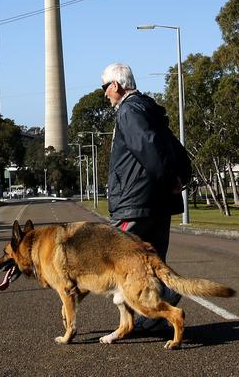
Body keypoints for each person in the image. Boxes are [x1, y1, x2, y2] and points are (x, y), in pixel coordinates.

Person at [101, 62, 184, 330]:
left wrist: (171, 179)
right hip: (157, 202)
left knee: (110, 257)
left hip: (135, 203)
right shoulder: (149, 109)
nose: (104, 94)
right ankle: (155, 319)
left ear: (116, 85)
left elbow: (147, 147)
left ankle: (166, 297)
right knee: (152, 262)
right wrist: (179, 179)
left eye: (105, 88)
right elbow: (173, 146)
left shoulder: (128, 110)